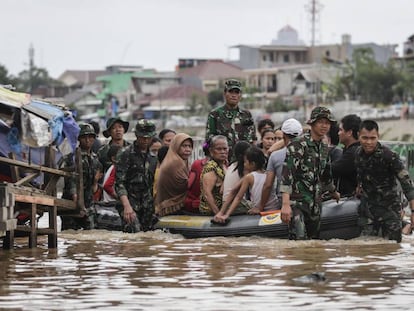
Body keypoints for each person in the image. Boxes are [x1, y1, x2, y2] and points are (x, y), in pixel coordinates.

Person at [280, 107, 340, 240]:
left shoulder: (324, 147)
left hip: (315, 205)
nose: (324, 126)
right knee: (299, 242)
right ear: (312, 123)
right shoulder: (298, 144)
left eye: (327, 123)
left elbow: (326, 174)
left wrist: (333, 192)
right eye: (321, 122)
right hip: (297, 203)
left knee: (313, 245)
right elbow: (287, 175)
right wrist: (285, 204)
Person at [355, 120, 414, 243]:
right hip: (368, 212)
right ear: (358, 136)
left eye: (373, 138)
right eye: (365, 138)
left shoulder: (389, 156)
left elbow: (407, 184)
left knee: (393, 248)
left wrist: (413, 211)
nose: (369, 142)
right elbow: (361, 175)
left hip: (389, 212)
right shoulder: (358, 154)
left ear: (378, 137)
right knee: (365, 249)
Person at [250, 118, 303, 215]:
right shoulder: (310, 152)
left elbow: (268, 185)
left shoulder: (275, 156)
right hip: (307, 200)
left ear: (283, 135)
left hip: (284, 202)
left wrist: (260, 207)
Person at [214, 146, 277, 223]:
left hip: (263, 210)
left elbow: (238, 197)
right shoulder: (269, 174)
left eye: (245, 162)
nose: (244, 164)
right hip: (274, 208)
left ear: (252, 164)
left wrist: (227, 214)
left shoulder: (249, 177)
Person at [115, 119, 158, 232]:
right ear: (136, 135)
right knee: (133, 237)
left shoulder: (153, 157)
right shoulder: (125, 154)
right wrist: (127, 206)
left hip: (148, 206)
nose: (145, 140)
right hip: (130, 203)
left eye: (148, 137)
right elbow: (119, 183)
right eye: (142, 137)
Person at [61, 123, 102, 230]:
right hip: (72, 203)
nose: (88, 140)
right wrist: (77, 203)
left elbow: (94, 188)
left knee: (91, 235)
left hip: (88, 203)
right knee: (70, 235)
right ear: (79, 139)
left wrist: (96, 181)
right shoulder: (73, 157)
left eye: (90, 137)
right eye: (84, 137)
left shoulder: (95, 159)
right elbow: (71, 181)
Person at [205, 79, 256, 161]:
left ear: (240, 95)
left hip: (243, 162)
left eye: (237, 92)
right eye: (231, 92)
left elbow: (253, 140)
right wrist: (208, 157)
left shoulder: (247, 115)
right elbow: (208, 140)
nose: (234, 95)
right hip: (222, 161)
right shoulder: (215, 114)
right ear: (225, 94)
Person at [155, 133, 193, 217]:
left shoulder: (181, 160)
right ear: (176, 146)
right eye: (184, 146)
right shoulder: (176, 162)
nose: (188, 149)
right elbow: (187, 185)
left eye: (190, 146)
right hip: (171, 206)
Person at [331, 114, 361, 197]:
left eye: (341, 130)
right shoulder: (349, 150)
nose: (338, 133)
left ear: (349, 133)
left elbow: (331, 170)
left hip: (351, 200)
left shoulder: (353, 153)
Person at [199, 135, 229, 215]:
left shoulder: (222, 164)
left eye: (225, 149)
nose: (222, 151)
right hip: (211, 212)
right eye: (219, 149)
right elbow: (207, 194)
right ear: (211, 151)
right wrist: (218, 214)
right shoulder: (211, 168)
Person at [222, 140, 251, 204]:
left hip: (224, 202)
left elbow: (221, 190)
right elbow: (234, 190)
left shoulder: (231, 166)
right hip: (236, 204)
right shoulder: (245, 168)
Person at [184, 142, 210, 213]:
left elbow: (188, 185)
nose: (223, 152)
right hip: (195, 205)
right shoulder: (197, 164)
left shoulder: (197, 164)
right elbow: (188, 185)